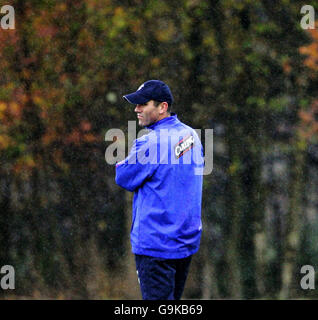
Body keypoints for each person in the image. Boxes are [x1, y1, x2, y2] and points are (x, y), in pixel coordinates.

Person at [115, 80, 204, 300]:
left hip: (156, 245)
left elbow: (123, 176)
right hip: (185, 243)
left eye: (143, 104)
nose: (137, 109)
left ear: (162, 107)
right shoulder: (191, 136)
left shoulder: (150, 143)